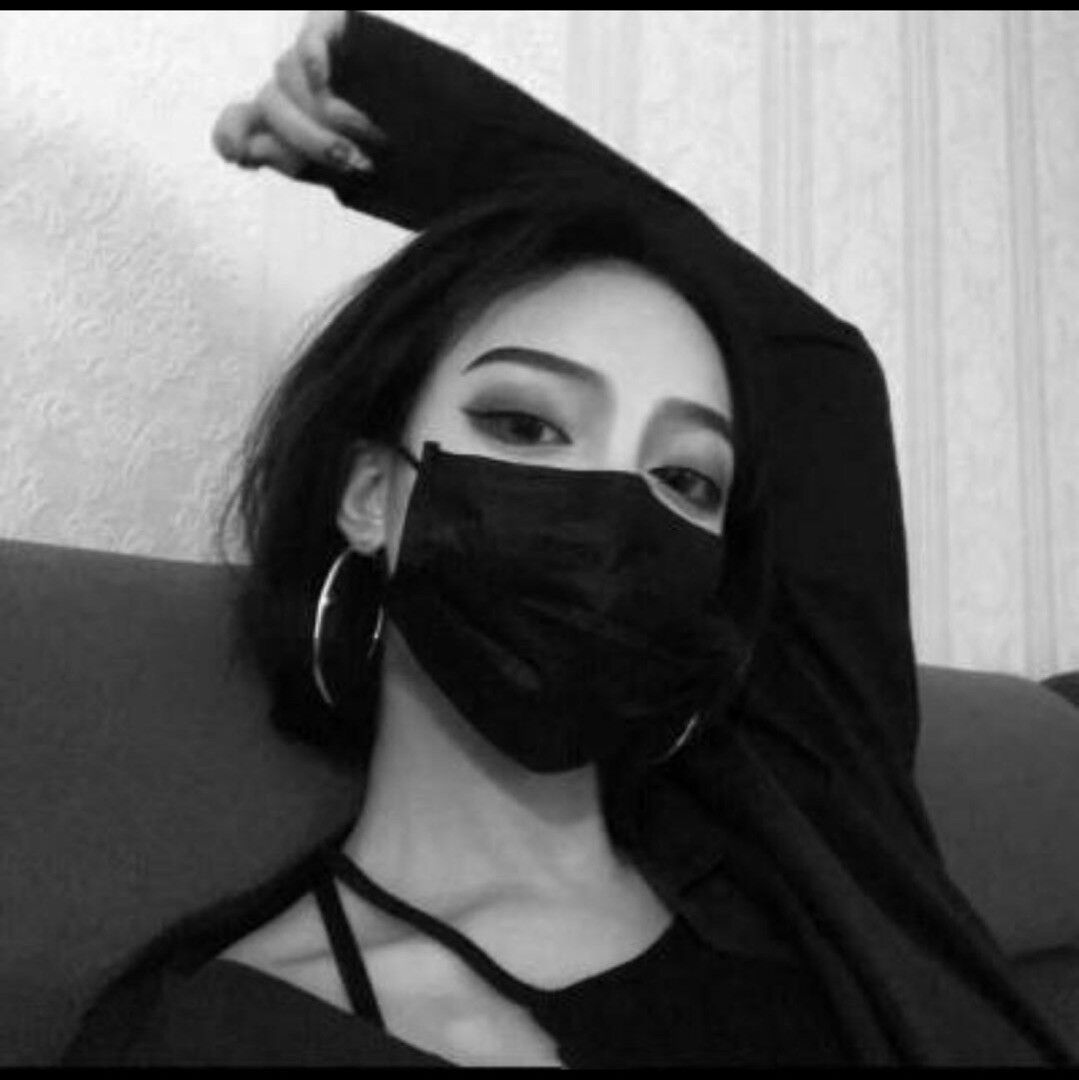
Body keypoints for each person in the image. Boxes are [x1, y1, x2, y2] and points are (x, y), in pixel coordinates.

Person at [60, 11, 1076, 1068]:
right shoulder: (215, 1032)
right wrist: (388, 113)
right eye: (525, 425)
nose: (611, 518)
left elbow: (815, 375)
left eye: (684, 478)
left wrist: (410, 127)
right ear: (371, 493)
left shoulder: (812, 823)